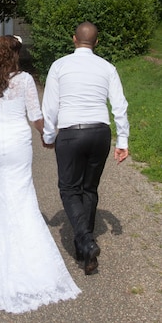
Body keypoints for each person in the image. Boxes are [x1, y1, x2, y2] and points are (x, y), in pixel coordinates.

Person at [0, 35, 80, 314]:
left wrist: (0, 115)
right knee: (20, 194)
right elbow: (35, 115)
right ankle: (27, 259)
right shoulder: (24, 81)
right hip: (18, 141)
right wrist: (47, 136)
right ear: (16, 54)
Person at [42, 21, 129, 276]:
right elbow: (119, 105)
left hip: (70, 132)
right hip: (100, 132)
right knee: (89, 188)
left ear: (73, 39)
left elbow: (50, 106)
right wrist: (122, 141)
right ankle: (84, 249)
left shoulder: (59, 66)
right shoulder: (107, 67)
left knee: (69, 189)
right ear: (97, 42)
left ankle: (86, 241)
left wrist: (48, 135)